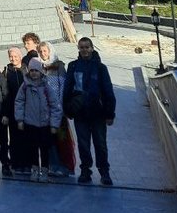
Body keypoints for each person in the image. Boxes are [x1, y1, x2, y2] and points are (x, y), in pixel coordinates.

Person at [63, 37, 116, 186]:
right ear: (78, 49)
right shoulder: (73, 66)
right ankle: (85, 170)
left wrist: (110, 113)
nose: (84, 50)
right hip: (81, 112)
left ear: (92, 48)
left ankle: (104, 171)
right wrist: (68, 109)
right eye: (82, 47)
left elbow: (108, 91)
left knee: (100, 144)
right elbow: (67, 89)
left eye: (87, 47)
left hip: (98, 113)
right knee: (83, 144)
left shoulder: (100, 68)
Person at [14, 57, 63, 182]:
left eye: (36, 70)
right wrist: (19, 119)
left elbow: (55, 106)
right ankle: (35, 169)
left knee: (44, 148)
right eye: (32, 71)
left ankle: (45, 170)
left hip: (45, 124)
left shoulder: (46, 87)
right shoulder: (25, 86)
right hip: (30, 123)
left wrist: (54, 124)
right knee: (32, 148)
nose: (34, 73)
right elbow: (19, 102)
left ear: (41, 72)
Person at [38, 41, 72, 177]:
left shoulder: (59, 66)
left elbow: (63, 86)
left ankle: (64, 166)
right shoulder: (38, 66)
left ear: (50, 51)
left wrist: (61, 107)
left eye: (45, 51)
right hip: (44, 111)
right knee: (48, 140)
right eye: (40, 51)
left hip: (57, 109)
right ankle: (52, 165)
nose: (43, 54)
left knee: (61, 139)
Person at [3, 46, 30, 175]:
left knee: (27, 137)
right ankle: (16, 163)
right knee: (14, 138)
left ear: (20, 56)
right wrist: (6, 113)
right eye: (11, 56)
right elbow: (5, 94)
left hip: (27, 110)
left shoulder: (27, 69)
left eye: (15, 56)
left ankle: (27, 164)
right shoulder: (6, 71)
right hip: (12, 109)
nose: (13, 58)